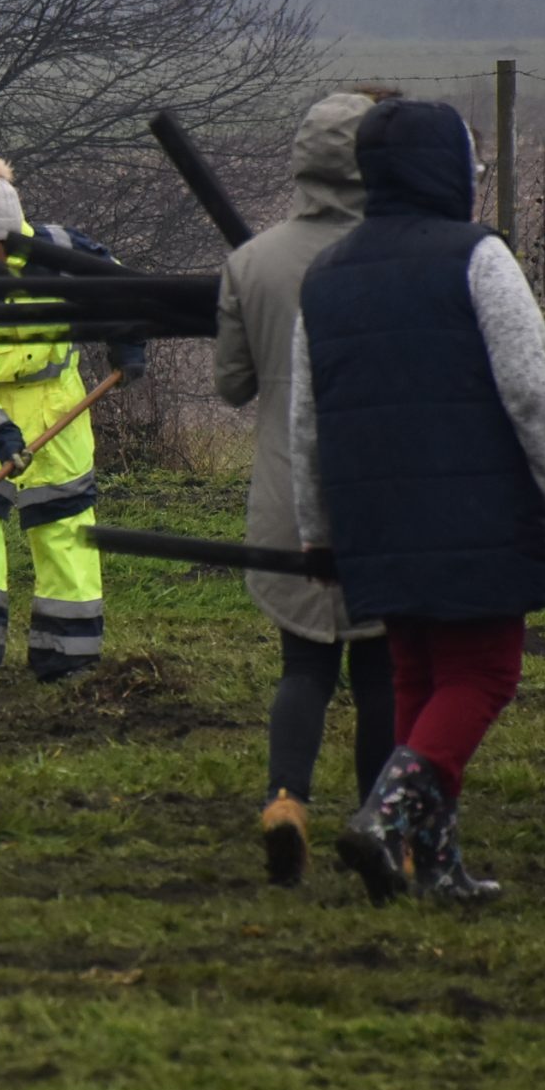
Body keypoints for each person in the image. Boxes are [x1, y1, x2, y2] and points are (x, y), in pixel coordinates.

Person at [289, 98, 545, 904]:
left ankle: (431, 865)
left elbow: (305, 418)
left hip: (371, 516)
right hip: (476, 509)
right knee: (484, 672)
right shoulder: (478, 257)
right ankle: (385, 819)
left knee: (418, 675)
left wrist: (319, 530)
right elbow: (529, 387)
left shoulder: (326, 274)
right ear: (448, 169)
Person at [215, 90, 394, 886]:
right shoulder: (399, 254)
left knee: (303, 666)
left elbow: (230, 385)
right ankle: (379, 822)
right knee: (383, 668)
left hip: (286, 499)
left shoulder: (249, 262)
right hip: (382, 494)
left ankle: (286, 801)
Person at [0, 156, 143, 684]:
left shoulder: (63, 256)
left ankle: (68, 659)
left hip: (58, 409)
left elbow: (124, 291)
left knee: (66, 528)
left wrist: (127, 343)